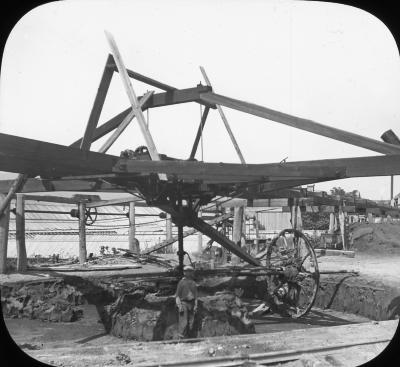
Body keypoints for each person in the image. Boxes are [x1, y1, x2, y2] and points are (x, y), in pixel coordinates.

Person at [175, 265, 198, 338]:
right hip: (184, 303)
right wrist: (179, 305)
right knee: (183, 322)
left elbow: (196, 296)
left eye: (190, 271)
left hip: (191, 303)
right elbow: (177, 295)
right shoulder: (181, 282)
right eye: (187, 271)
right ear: (184, 273)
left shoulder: (193, 283)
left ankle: (188, 338)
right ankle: (181, 338)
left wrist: (195, 305)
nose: (188, 273)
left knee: (191, 322)